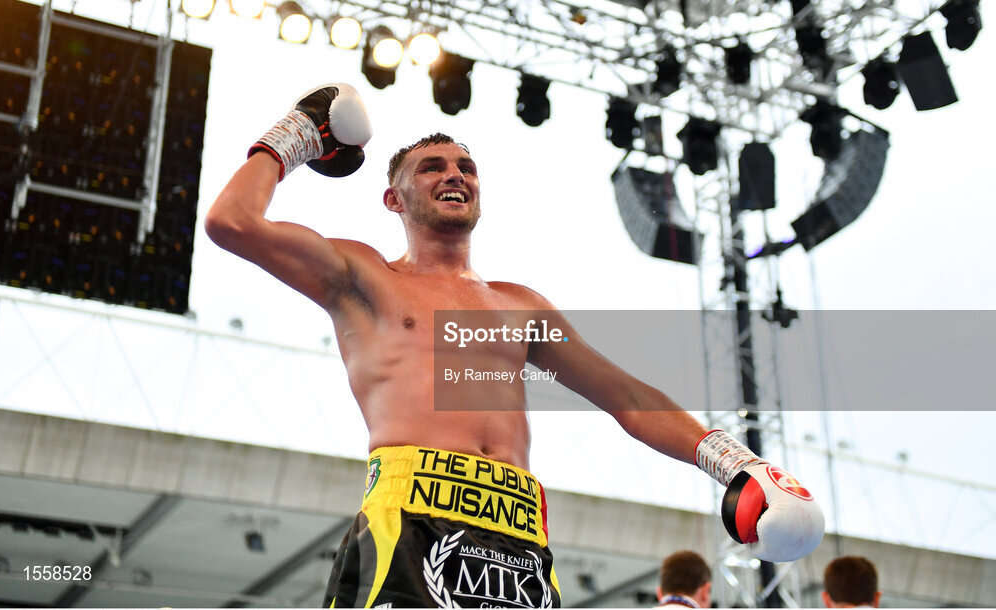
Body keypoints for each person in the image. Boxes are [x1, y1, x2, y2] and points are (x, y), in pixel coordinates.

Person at [205, 83, 825, 608]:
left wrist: (736, 464)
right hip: (408, 520)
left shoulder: (518, 304)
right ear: (394, 198)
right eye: (433, 168)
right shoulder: (363, 276)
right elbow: (232, 222)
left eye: (465, 168)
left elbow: (627, 397)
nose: (454, 175)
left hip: (521, 538)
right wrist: (297, 134)